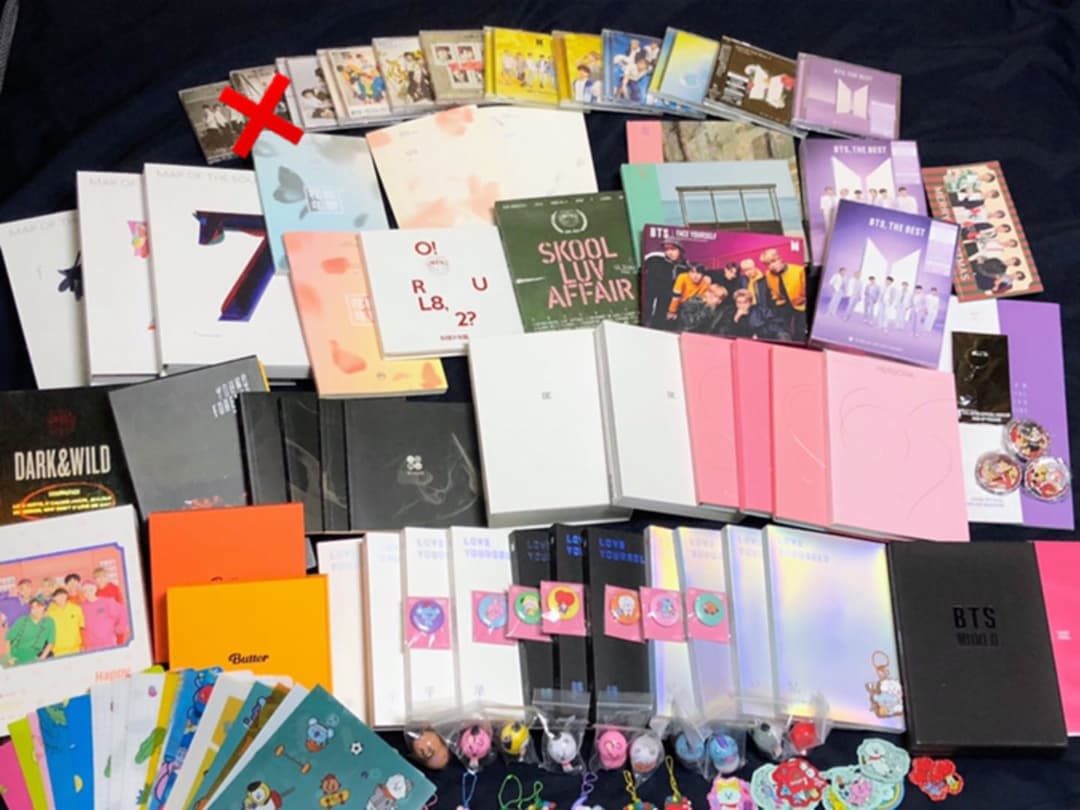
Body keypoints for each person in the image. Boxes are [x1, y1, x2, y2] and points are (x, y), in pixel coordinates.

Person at [759, 248, 807, 339]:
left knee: (800, 331)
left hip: (801, 304)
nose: (771, 266)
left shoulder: (799, 270)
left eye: (773, 261)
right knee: (783, 329)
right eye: (767, 264)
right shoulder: (768, 274)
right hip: (783, 304)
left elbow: (806, 291)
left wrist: (801, 300)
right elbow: (772, 290)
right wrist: (777, 300)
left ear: (780, 258)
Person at [642, 240, 688, 327]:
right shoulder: (656, 259)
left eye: (673, 249)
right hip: (653, 297)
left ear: (680, 250)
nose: (669, 252)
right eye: (666, 249)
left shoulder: (685, 267)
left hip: (669, 301)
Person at [81, 582, 129, 650]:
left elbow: (123, 611)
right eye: (85, 591)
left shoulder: (107, 602)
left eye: (90, 589)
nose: (88, 593)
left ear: (95, 589)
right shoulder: (82, 607)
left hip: (109, 643)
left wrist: (120, 628)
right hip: (91, 646)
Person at [6, 597, 54, 665]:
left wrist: (42, 658)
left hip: (35, 659)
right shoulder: (22, 620)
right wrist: (9, 657)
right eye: (32, 607)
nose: (35, 609)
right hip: (16, 658)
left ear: (44, 607)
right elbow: (8, 639)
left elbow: (50, 643)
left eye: (38, 606)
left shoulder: (49, 622)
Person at [46, 588, 84, 657]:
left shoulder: (76, 608)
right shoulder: (50, 613)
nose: (61, 598)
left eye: (62, 595)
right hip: (58, 651)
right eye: (57, 596)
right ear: (54, 598)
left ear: (66, 596)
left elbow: (81, 628)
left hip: (75, 649)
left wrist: (83, 645)